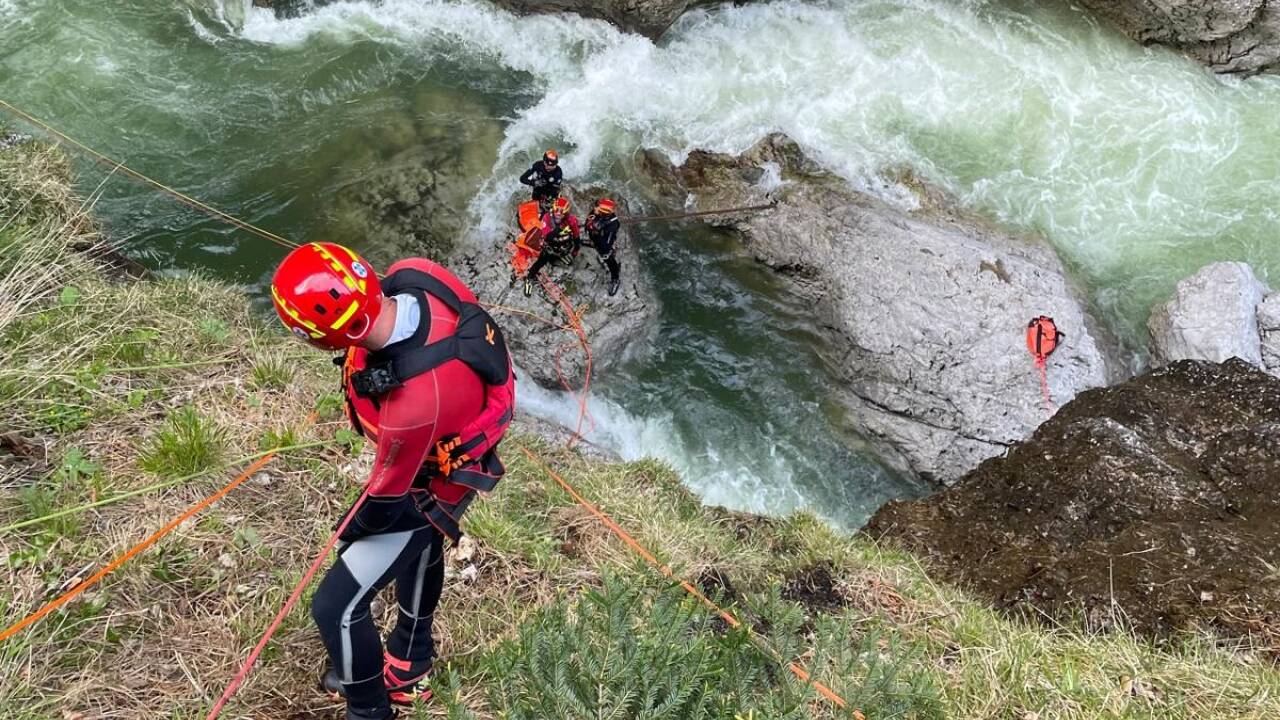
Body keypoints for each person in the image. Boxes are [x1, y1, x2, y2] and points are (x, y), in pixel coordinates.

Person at [270, 242, 515, 720]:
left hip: (430, 484)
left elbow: (387, 492)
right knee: (421, 548)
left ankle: (369, 709)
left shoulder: (412, 405)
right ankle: (410, 660)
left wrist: (350, 531)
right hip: (456, 462)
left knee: (336, 606)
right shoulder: (417, 271)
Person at [523, 196, 580, 297]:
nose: (558, 214)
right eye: (556, 211)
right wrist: (559, 229)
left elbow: (576, 235)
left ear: (566, 213)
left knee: (565, 249)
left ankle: (558, 256)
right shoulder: (547, 218)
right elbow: (547, 236)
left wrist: (576, 248)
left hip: (564, 245)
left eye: (561, 212)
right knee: (540, 262)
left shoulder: (572, 220)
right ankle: (530, 277)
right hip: (550, 245)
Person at [584, 198, 622, 297]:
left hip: (603, 243)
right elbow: (588, 222)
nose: (595, 209)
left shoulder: (613, 224)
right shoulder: (595, 212)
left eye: (598, 210)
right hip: (595, 237)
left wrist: (596, 233)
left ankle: (615, 278)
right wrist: (590, 225)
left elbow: (606, 246)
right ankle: (593, 243)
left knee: (607, 257)